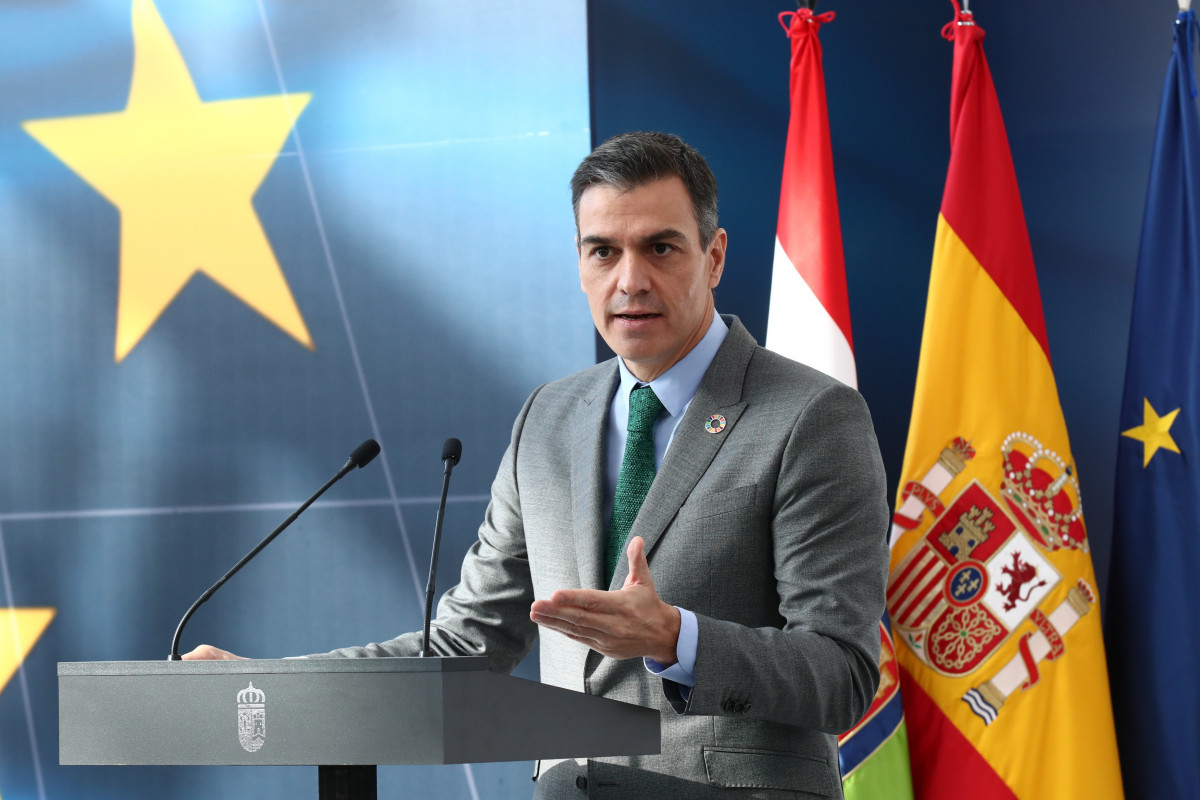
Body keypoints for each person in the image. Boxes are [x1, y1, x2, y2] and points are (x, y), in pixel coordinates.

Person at [186, 131, 890, 799]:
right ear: (579, 263)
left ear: (714, 257)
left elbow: (844, 671)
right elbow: (469, 641)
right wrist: (273, 684)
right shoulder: (547, 420)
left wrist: (679, 639)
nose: (630, 279)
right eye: (603, 251)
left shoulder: (810, 415)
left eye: (661, 248)